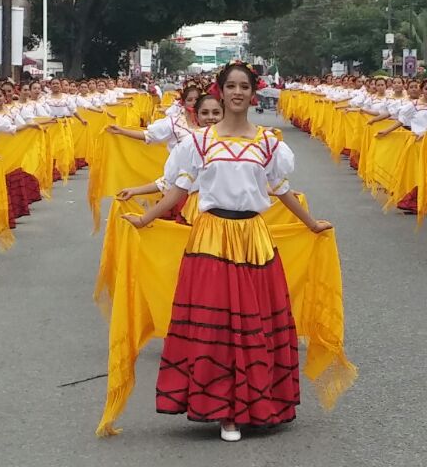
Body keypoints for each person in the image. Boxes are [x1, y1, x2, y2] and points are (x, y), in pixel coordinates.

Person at [122, 61, 331, 442]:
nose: (238, 92)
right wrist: (145, 218)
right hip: (211, 237)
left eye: (244, 87)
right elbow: (179, 190)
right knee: (216, 326)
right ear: (220, 91)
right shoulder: (199, 142)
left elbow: (281, 189)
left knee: (255, 324)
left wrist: (311, 223)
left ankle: (257, 403)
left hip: (253, 236)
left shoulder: (269, 143)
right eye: (231, 86)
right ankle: (224, 410)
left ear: (254, 93)